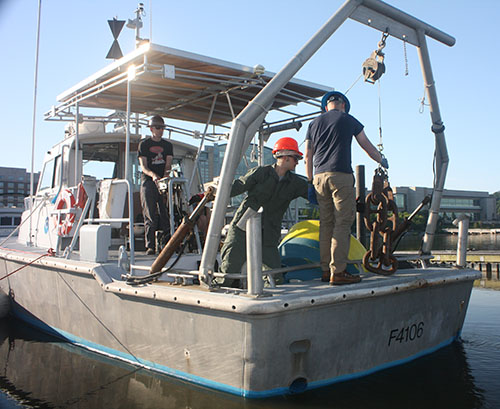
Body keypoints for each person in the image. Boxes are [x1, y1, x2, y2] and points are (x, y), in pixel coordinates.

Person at [305, 91, 388, 285]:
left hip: (319, 177)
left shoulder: (313, 124)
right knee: (342, 224)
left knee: (325, 225)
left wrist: (310, 182)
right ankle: (339, 272)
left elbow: (308, 156)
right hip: (341, 176)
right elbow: (366, 146)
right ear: (343, 105)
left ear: (326, 106)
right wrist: (381, 160)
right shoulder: (349, 120)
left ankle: (326, 270)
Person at [219, 137, 309, 283]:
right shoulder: (260, 173)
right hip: (243, 228)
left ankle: (274, 301)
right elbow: (236, 187)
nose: (297, 162)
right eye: (295, 158)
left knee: (275, 276)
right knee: (229, 269)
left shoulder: (295, 184)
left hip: (268, 234)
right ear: (285, 157)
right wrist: (210, 194)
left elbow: (316, 196)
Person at [138, 115, 173, 255]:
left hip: (163, 182)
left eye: (162, 128)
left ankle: (167, 244)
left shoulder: (168, 146)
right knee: (150, 214)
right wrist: (153, 176)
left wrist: (165, 177)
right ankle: (150, 246)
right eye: (158, 128)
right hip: (148, 182)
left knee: (165, 213)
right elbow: (143, 166)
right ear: (152, 129)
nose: (161, 130)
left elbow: (168, 164)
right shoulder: (144, 145)